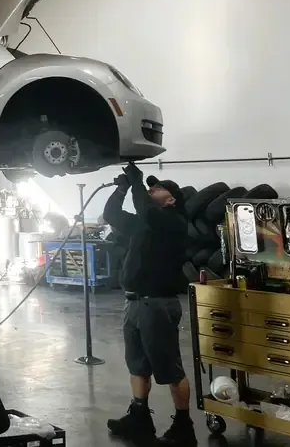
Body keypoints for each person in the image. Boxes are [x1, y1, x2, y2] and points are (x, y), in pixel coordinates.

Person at [103, 163, 195, 447]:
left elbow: (146, 209)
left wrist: (139, 183)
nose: (153, 188)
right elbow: (112, 215)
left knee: (169, 368)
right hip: (134, 303)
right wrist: (122, 189)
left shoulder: (173, 222)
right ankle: (139, 418)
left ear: (171, 199)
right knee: (138, 365)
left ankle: (183, 426)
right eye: (151, 186)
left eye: (159, 187)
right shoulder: (145, 220)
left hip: (157, 304)